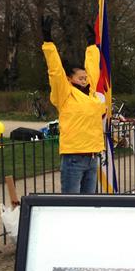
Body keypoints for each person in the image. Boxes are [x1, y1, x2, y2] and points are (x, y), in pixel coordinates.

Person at [41, 16, 106, 194]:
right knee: (71, 205)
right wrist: (48, 43)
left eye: (85, 78)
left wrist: (92, 45)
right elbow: (55, 72)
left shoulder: (91, 92)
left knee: (87, 205)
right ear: (69, 79)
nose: (85, 80)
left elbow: (93, 67)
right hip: (74, 158)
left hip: (92, 157)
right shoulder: (65, 94)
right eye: (80, 78)